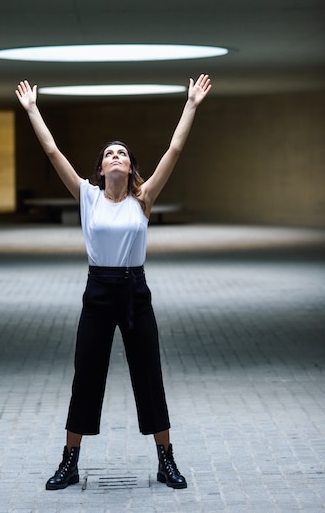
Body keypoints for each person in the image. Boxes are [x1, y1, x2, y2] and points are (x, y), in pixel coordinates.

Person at [15, 74, 211, 490]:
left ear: (130, 166)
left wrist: (190, 104)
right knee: (86, 376)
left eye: (122, 153)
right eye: (109, 154)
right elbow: (52, 152)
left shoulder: (144, 199)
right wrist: (32, 109)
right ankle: (69, 463)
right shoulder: (87, 196)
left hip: (136, 293)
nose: (116, 156)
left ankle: (166, 461)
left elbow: (175, 150)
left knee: (149, 376)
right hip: (99, 293)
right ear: (101, 169)